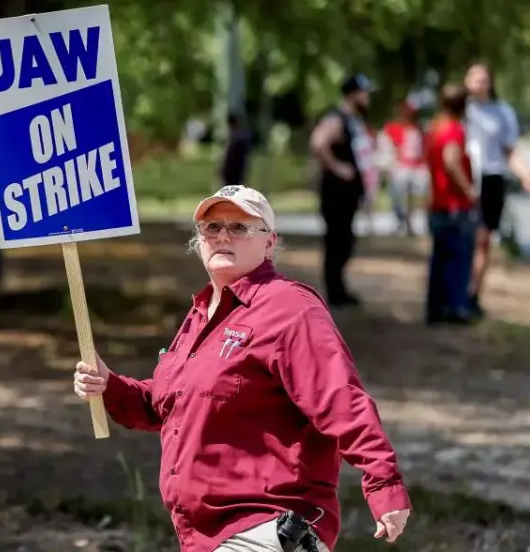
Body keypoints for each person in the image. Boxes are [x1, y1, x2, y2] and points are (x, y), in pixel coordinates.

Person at [73, 185, 412, 552]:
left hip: (267, 525)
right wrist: (107, 384)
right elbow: (166, 403)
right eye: (211, 227)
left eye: (238, 227)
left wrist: (383, 483)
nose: (222, 236)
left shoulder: (290, 308)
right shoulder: (200, 315)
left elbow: (340, 399)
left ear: (269, 242)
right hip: (206, 536)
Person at [464, 60, 530, 317]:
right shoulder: (462, 110)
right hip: (466, 177)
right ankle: (455, 292)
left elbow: (509, 150)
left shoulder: (501, 112)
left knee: (483, 240)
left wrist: (525, 174)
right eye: (473, 78)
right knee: (462, 238)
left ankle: (473, 293)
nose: (478, 83)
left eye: (482, 78)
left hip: (491, 178)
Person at [309, 73, 378, 307]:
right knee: (337, 241)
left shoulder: (354, 121)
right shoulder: (336, 117)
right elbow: (318, 142)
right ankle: (335, 293)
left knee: (345, 240)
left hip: (348, 195)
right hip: (335, 193)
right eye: (364, 92)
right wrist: (338, 168)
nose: (368, 97)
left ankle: (340, 289)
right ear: (352, 94)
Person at [425, 83, 478, 325]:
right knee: (458, 258)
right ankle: (456, 308)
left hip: (438, 203)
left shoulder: (434, 128)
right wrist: (469, 190)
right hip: (455, 205)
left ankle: (435, 307)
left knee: (440, 259)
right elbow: (451, 160)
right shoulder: (454, 130)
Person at [380, 98, 428, 235]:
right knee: (399, 192)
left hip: (416, 167)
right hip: (400, 166)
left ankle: (411, 223)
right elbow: (389, 149)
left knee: (418, 193)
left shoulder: (418, 129)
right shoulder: (393, 128)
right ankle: (401, 221)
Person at [220, 112, 252, 187]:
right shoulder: (240, 135)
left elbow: (231, 156)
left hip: (234, 168)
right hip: (237, 167)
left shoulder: (237, 137)